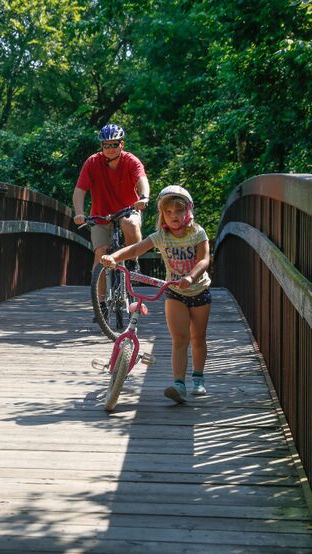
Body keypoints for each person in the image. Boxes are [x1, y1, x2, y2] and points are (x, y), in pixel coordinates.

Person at [100, 185, 211, 403]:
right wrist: (114, 257)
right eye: (168, 212)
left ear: (188, 211)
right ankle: (179, 385)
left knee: (198, 338)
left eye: (179, 211)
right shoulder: (161, 236)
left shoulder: (198, 233)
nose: (174, 217)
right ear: (162, 215)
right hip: (175, 292)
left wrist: (190, 277)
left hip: (199, 291)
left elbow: (204, 260)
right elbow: (134, 250)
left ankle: (198, 378)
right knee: (180, 339)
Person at [73, 123, 150, 269]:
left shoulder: (131, 161)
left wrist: (144, 197)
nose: (110, 149)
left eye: (114, 144)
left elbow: (142, 179)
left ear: (122, 144)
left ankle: (133, 261)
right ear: (101, 146)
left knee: (130, 223)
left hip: (128, 210)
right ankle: (99, 293)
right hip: (100, 215)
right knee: (101, 255)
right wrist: (79, 213)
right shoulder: (92, 162)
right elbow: (79, 190)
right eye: (105, 145)